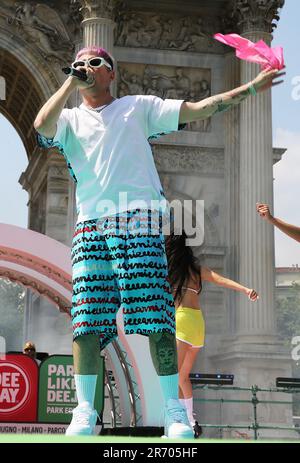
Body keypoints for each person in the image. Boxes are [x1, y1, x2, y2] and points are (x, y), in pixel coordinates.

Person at [33, 44, 283, 438]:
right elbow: (41, 125)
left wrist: (250, 88)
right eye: (79, 64)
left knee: (155, 317)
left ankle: (173, 412)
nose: (85, 68)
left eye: (95, 63)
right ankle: (84, 411)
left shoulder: (138, 106)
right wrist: (69, 80)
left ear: (112, 73)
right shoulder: (66, 119)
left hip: (139, 220)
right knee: (86, 323)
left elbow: (200, 108)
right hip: (91, 225)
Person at [165, 231, 259, 437]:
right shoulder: (197, 270)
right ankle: (191, 421)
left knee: (172, 376)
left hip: (182, 322)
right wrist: (245, 289)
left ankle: (176, 421)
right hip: (198, 325)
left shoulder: (170, 271)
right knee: (182, 377)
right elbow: (222, 280)